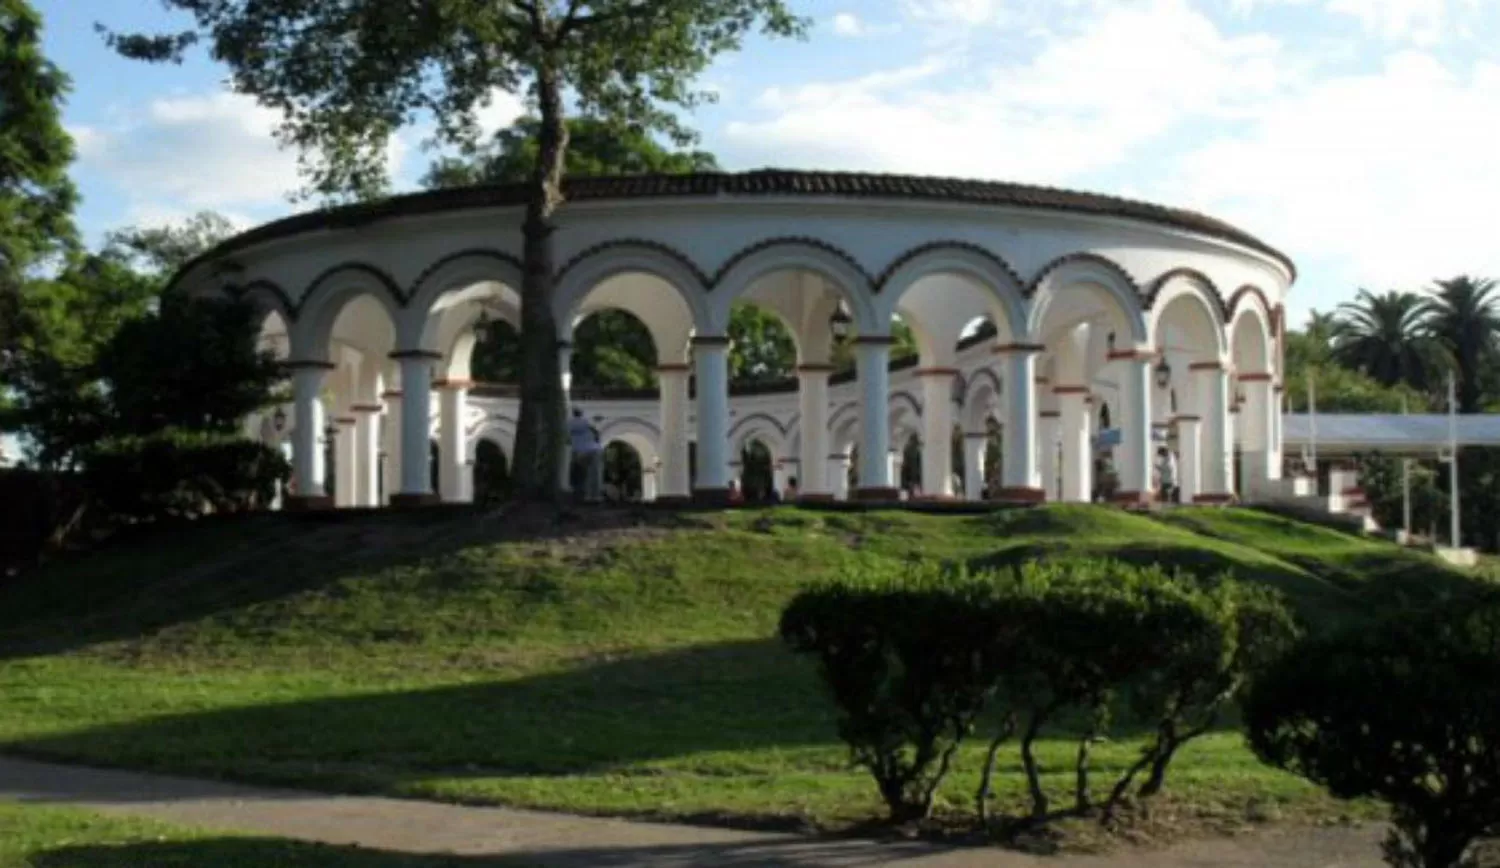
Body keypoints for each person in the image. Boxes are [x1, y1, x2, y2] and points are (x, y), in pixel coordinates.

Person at [568, 407, 603, 503]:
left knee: (580, 473)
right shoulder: (587, 421)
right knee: (594, 473)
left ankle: (583, 494)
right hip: (594, 449)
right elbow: (596, 434)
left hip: (579, 451)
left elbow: (567, 437)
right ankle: (594, 496)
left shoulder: (569, 422)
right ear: (581, 413)